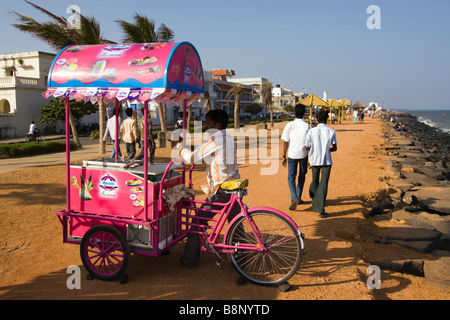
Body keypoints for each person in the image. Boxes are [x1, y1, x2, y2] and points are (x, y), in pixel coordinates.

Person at [174, 109, 240, 267]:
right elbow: (208, 155)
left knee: (197, 221)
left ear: (217, 124)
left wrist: (179, 147)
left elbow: (191, 158)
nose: (205, 125)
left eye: (208, 122)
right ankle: (241, 259)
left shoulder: (215, 137)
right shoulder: (228, 137)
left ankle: (189, 260)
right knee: (236, 223)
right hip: (234, 186)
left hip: (221, 189)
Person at [304, 109, 337, 218]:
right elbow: (334, 148)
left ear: (317, 119)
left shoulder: (312, 131)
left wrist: (313, 149)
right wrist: (326, 149)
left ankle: (314, 198)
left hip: (314, 159)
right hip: (326, 160)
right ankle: (320, 208)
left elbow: (306, 146)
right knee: (324, 183)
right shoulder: (331, 131)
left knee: (315, 179)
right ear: (327, 118)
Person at [281, 103, 311, 211]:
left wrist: (283, 156)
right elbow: (310, 145)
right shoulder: (308, 126)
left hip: (292, 154)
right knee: (302, 177)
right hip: (304, 155)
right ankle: (298, 197)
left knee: (291, 177)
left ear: (294, 113)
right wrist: (310, 159)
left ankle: (294, 197)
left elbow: (285, 142)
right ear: (304, 113)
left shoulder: (289, 125)